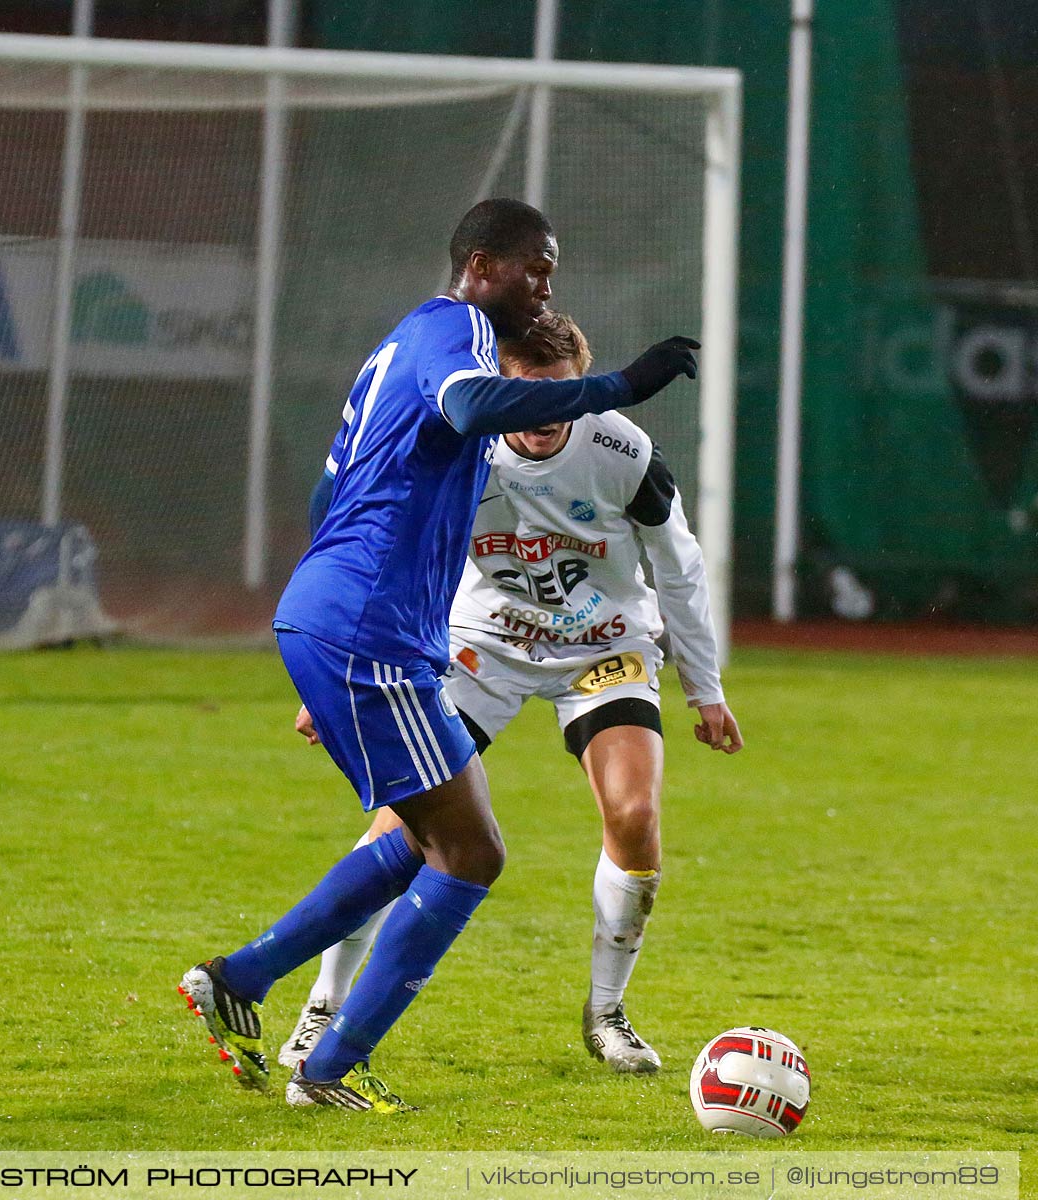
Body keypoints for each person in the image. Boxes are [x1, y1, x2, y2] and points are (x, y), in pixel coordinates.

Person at [178, 198, 700, 1113]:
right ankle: (327, 1066)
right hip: (370, 630)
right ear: (485, 265)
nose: (546, 288)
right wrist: (615, 384)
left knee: (428, 836)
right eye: (536, 268)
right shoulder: (454, 331)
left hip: (352, 624)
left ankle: (243, 983)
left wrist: (328, 626)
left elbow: (329, 489)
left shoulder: (403, 345)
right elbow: (472, 404)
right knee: (471, 851)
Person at [278, 311, 740, 1087]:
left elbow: (681, 569)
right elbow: (390, 555)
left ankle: (606, 1013)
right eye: (524, 397)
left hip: (602, 647)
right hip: (476, 647)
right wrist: (340, 679)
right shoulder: (461, 449)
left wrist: (706, 688)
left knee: (636, 815)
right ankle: (322, 1006)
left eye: (559, 397)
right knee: (402, 824)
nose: (542, 417)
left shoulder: (625, 454)